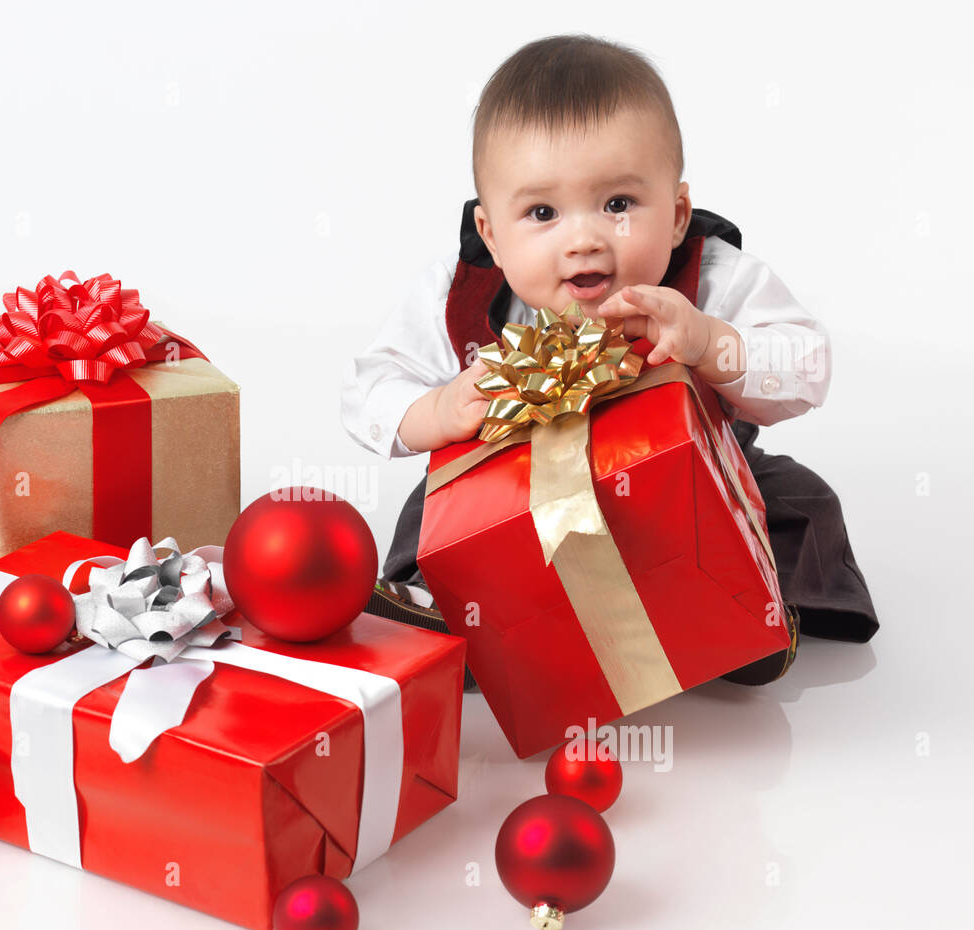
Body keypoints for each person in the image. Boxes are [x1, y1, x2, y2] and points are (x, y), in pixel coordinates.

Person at [341, 34, 878, 689]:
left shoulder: (709, 277)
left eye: (618, 205)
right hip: (511, 494)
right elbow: (366, 391)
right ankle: (445, 620)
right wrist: (439, 408)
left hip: (688, 490)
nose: (585, 238)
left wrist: (712, 343)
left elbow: (808, 365)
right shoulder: (459, 292)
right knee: (430, 513)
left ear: (677, 214)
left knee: (801, 500)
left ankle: (751, 610)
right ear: (492, 234)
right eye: (542, 212)